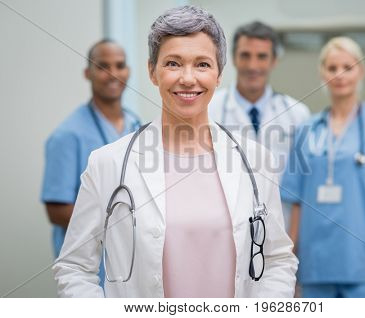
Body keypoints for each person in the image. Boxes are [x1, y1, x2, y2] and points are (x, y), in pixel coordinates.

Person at [53, 5, 297, 298]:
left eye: (203, 64)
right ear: (152, 72)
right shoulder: (108, 163)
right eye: (173, 63)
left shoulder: (256, 161)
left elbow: (278, 259)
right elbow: (75, 266)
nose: (188, 78)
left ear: (219, 74)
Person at [280, 37, 365, 298]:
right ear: (322, 73)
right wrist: (290, 264)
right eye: (332, 68)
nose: (339, 75)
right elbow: (296, 201)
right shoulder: (307, 129)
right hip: (315, 263)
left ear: (360, 71)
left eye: (347, 67)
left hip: (363, 263)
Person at [41, 39, 141, 286]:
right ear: (88, 73)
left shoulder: (137, 126)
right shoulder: (67, 135)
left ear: (128, 71)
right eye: (102, 66)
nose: (113, 74)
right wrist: (118, 228)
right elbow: (56, 211)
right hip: (91, 271)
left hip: (133, 265)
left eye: (119, 65)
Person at [209, 21, 310, 227]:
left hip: (281, 225)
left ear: (274, 61)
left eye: (262, 56)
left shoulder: (297, 114)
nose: (253, 66)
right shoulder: (210, 110)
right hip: (225, 226)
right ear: (233, 59)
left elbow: (303, 184)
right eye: (245, 55)